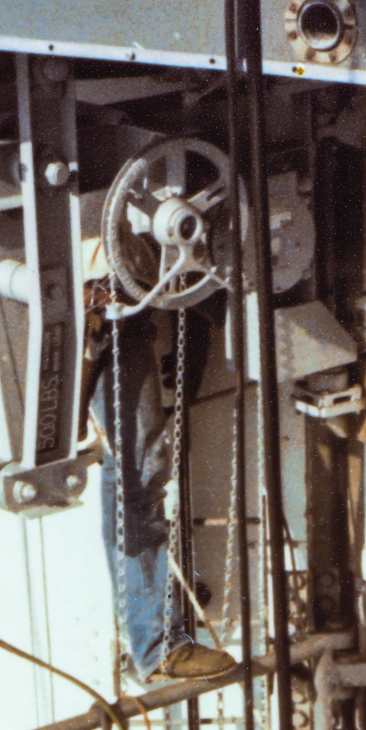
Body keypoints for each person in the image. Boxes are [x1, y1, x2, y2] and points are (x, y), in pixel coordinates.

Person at [82, 275, 233, 685]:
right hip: (101, 314)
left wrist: (197, 339)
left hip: (125, 310)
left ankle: (150, 636)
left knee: (136, 468)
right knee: (136, 471)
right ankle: (156, 644)